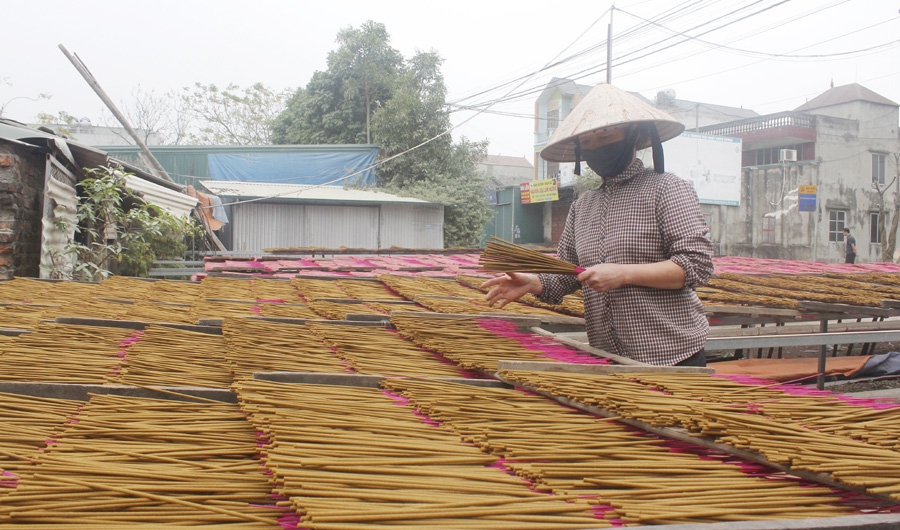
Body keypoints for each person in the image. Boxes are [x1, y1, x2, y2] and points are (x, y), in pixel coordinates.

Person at [482, 83, 713, 367]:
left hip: (671, 356)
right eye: (587, 143)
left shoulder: (667, 189)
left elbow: (696, 265)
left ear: (633, 135)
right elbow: (568, 273)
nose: (596, 148)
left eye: (605, 136)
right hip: (609, 358)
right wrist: (533, 282)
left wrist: (623, 274)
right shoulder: (583, 206)